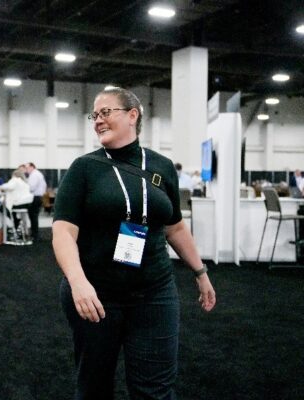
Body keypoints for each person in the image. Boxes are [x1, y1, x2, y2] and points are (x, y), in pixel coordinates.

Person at [52, 87, 216, 400]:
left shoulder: (162, 166)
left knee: (155, 390)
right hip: (97, 296)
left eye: (105, 112)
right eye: (94, 115)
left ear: (132, 115)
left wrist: (200, 272)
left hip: (155, 293)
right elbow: (62, 232)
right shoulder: (83, 168)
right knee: (94, 388)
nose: (98, 120)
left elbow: (175, 227)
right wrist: (78, 282)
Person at [25, 162, 47, 241]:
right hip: (39, 197)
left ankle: (35, 235)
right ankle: (34, 234)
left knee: (33, 217)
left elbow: (31, 188)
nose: (26, 170)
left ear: (32, 167)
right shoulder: (38, 174)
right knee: (34, 217)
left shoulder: (34, 175)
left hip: (35, 197)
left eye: (27, 168)